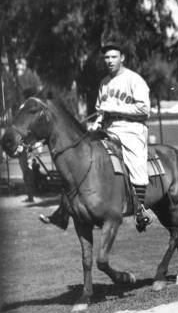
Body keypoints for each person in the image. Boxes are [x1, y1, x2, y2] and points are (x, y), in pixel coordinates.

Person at [41, 37, 153, 231]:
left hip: (131, 129)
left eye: (113, 57)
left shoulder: (134, 80)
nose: (109, 60)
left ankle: (140, 210)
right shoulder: (104, 83)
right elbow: (102, 112)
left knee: (135, 160)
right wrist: (97, 123)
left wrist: (117, 107)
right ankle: (63, 212)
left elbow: (144, 110)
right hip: (108, 129)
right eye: (107, 57)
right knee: (79, 157)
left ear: (122, 58)